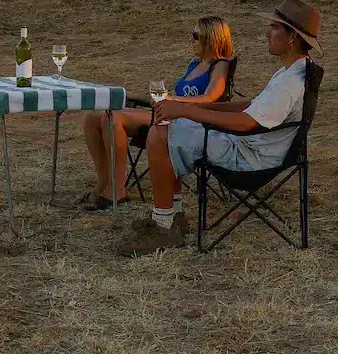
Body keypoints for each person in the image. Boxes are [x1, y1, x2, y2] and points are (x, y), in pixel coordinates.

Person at [119, 0, 318, 255]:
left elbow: (246, 122)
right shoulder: (292, 71)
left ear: (292, 37)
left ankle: (163, 226)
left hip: (251, 158)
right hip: (256, 147)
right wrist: (193, 110)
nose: (267, 32)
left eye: (274, 27)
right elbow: (251, 106)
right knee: (172, 125)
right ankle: (172, 217)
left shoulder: (290, 82)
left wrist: (187, 111)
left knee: (161, 132)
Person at [75, 17, 234, 210]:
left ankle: (117, 190)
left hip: (189, 121)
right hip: (170, 112)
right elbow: (178, 95)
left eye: (195, 36)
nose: (190, 40)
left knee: (112, 117)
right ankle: (103, 184)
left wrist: (174, 101)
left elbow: (211, 97)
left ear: (212, 38)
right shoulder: (195, 63)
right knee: (92, 116)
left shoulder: (220, 65)